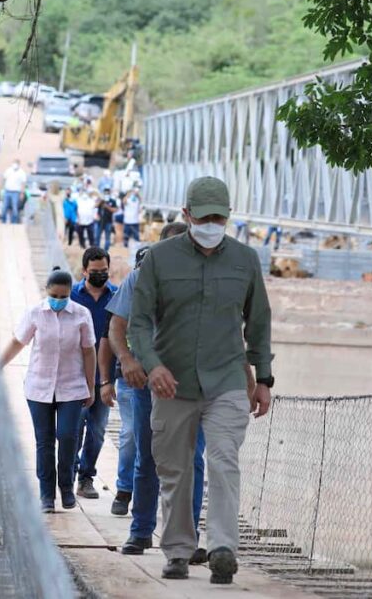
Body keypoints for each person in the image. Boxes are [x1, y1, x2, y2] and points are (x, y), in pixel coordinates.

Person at [129, 176, 273, 584]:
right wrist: (152, 364)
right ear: (186, 214)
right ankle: (176, 550)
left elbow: (258, 322)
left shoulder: (246, 261)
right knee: (174, 468)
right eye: (204, 216)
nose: (212, 224)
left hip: (227, 378)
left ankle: (223, 548)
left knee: (223, 460)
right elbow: (139, 323)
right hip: (172, 382)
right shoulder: (158, 259)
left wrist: (263, 379)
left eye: (219, 217)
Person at [101, 224, 224, 565]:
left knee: (192, 461)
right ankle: (141, 531)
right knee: (149, 456)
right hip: (147, 383)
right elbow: (117, 325)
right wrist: (125, 360)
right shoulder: (141, 278)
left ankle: (188, 540)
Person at [0, 267, 97, 513]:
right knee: (44, 442)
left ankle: (66, 487)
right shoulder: (35, 314)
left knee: (67, 437)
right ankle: (46, 495)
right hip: (39, 387)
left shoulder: (81, 315)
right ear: (47, 292)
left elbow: (88, 351)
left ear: (69, 295)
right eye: (54, 295)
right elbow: (17, 342)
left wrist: (90, 385)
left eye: (64, 297)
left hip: (72, 388)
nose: (58, 301)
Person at [72, 247, 118, 499]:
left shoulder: (118, 296)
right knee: (74, 427)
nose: (100, 275)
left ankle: (86, 477)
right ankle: (68, 471)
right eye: (94, 272)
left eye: (104, 271)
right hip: (75, 375)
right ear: (84, 271)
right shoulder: (73, 296)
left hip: (105, 377)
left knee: (98, 430)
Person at [2, 159, 27, 224]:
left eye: (16, 163)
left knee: (15, 207)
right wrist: (3, 189)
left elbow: (23, 184)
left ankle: (14, 222)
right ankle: (3, 221)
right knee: (4, 207)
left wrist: (22, 193)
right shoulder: (8, 170)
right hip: (7, 191)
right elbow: (4, 179)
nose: (14, 165)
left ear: (19, 164)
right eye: (14, 163)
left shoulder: (22, 173)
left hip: (16, 192)